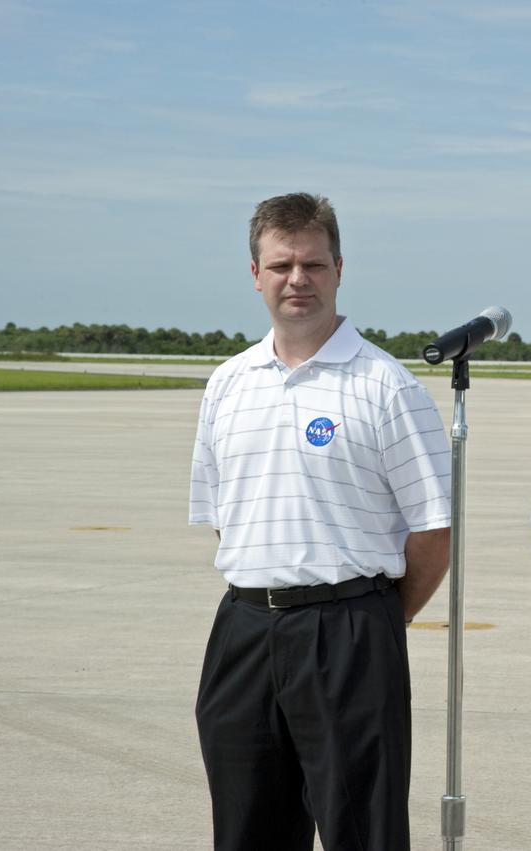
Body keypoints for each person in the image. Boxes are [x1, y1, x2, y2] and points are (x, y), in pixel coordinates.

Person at [189, 192, 451, 851]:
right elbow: (228, 519)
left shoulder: (385, 384)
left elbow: (433, 533)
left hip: (349, 633)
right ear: (255, 274)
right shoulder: (228, 383)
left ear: (338, 268)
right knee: (246, 828)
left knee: (361, 829)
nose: (296, 279)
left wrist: (373, 620)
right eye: (280, 265)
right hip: (244, 630)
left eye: (311, 263)